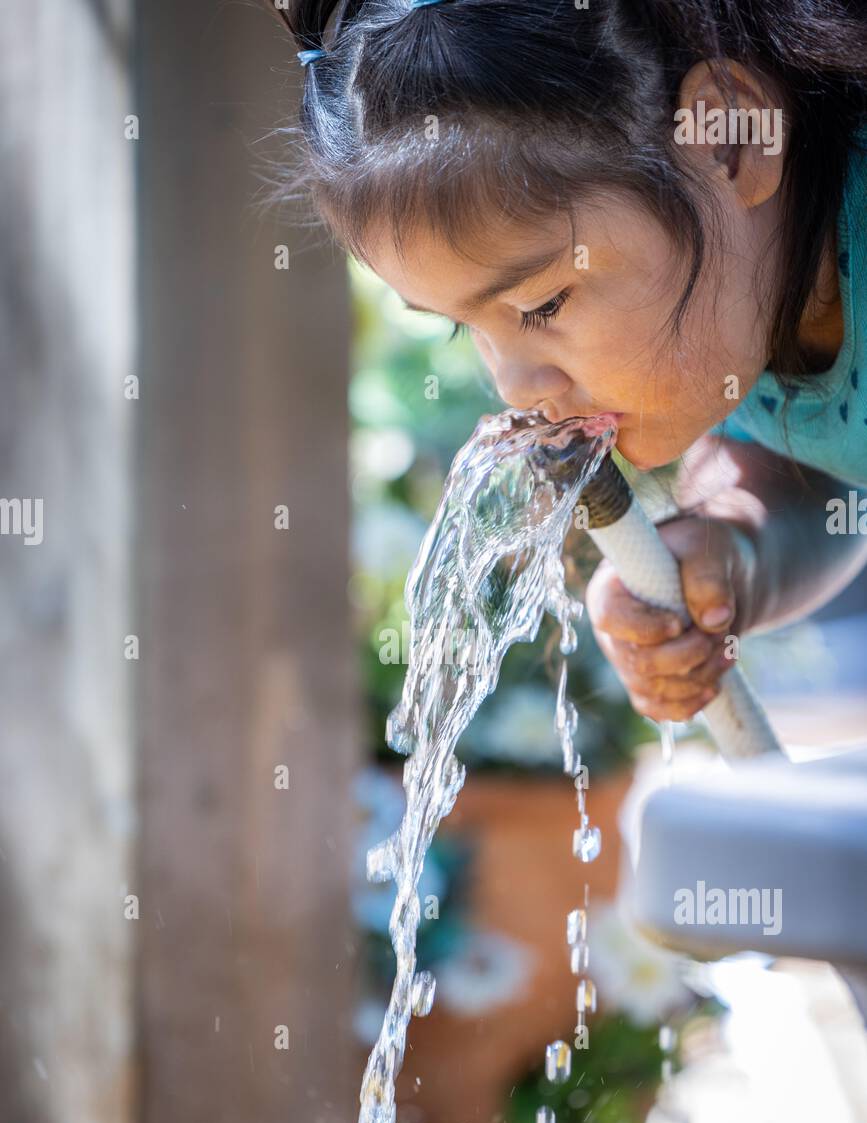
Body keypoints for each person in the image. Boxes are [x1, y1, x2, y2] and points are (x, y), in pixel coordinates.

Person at [265, 0, 867, 724]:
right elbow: (823, 477)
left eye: (543, 305)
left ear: (728, 142)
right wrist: (735, 548)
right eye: (465, 328)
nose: (515, 389)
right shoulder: (742, 302)